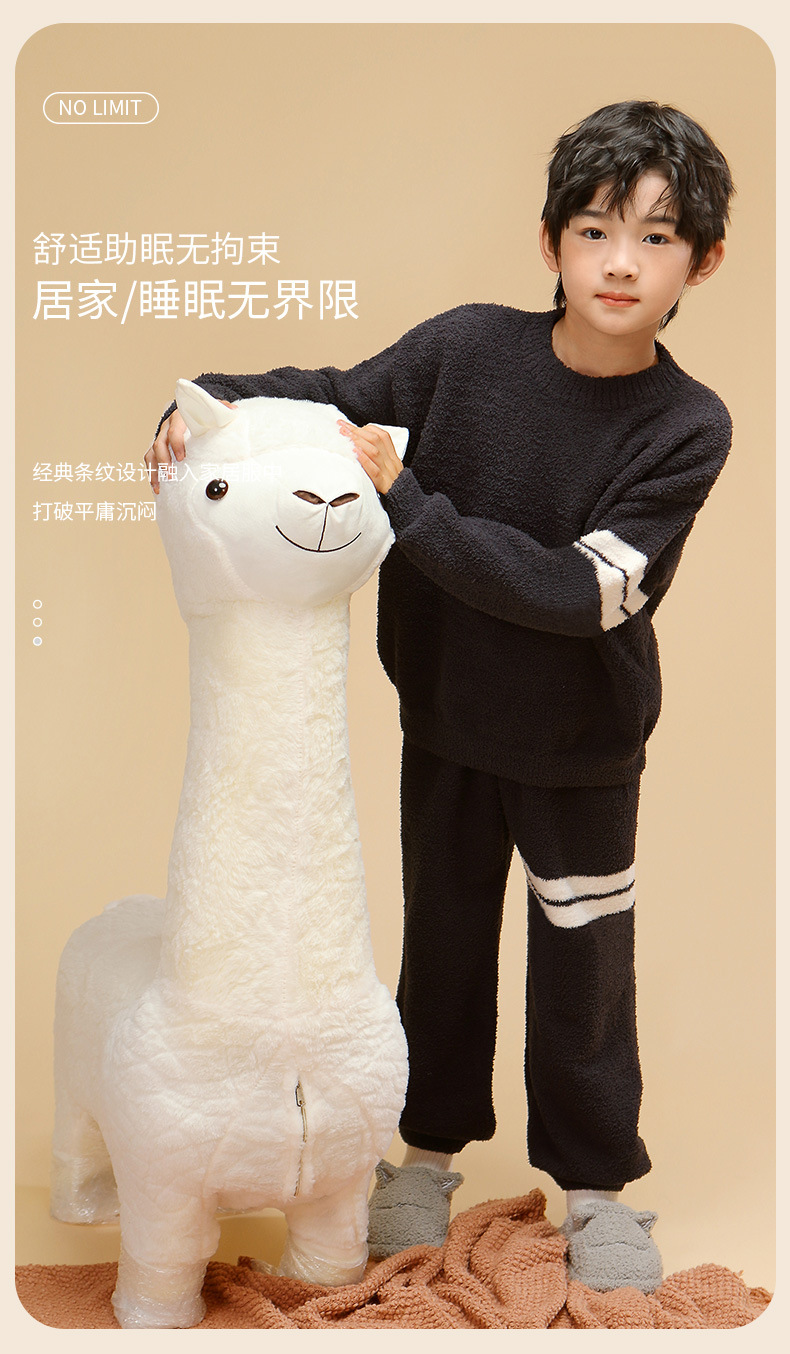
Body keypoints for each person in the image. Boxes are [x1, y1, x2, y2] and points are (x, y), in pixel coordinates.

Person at [146, 100, 734, 1292]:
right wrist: (205, 395)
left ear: (702, 261)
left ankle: (596, 1189)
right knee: (444, 947)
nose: (620, 262)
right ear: (549, 242)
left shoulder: (686, 426)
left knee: (582, 973)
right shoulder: (464, 352)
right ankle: (421, 1157)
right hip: (449, 724)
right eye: (594, 229)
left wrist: (409, 504)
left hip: (581, 751)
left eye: (656, 236)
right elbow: (331, 393)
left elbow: (581, 592)